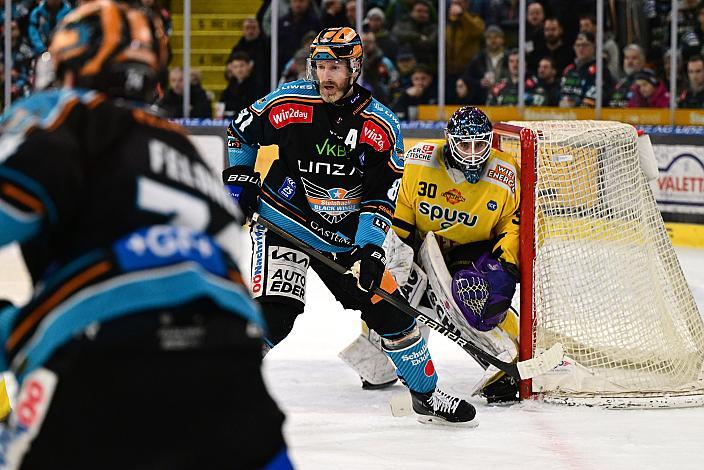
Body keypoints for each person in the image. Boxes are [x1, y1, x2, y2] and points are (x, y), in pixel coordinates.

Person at [0, 2, 288, 467]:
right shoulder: (185, 148)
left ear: (73, 62)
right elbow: (216, 261)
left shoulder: (61, 112)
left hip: (100, 349)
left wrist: (15, 333)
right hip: (230, 360)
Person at [224, 26, 476, 426]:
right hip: (284, 220)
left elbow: (380, 196)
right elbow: (240, 132)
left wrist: (371, 250)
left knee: (394, 316)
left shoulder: (381, 126)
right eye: (321, 65)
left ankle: (426, 396)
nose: (326, 75)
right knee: (276, 315)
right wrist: (239, 180)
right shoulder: (290, 101)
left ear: (355, 68)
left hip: (343, 240)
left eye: (336, 67)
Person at [340, 106, 521, 404]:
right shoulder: (419, 162)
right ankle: (383, 352)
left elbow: (511, 226)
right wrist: (387, 270)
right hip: (420, 248)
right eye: (465, 144)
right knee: (391, 293)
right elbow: (396, 227)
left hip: (470, 256)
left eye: (480, 144)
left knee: (470, 297)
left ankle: (505, 359)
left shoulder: (504, 173)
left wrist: (506, 268)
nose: (473, 153)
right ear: (449, 141)